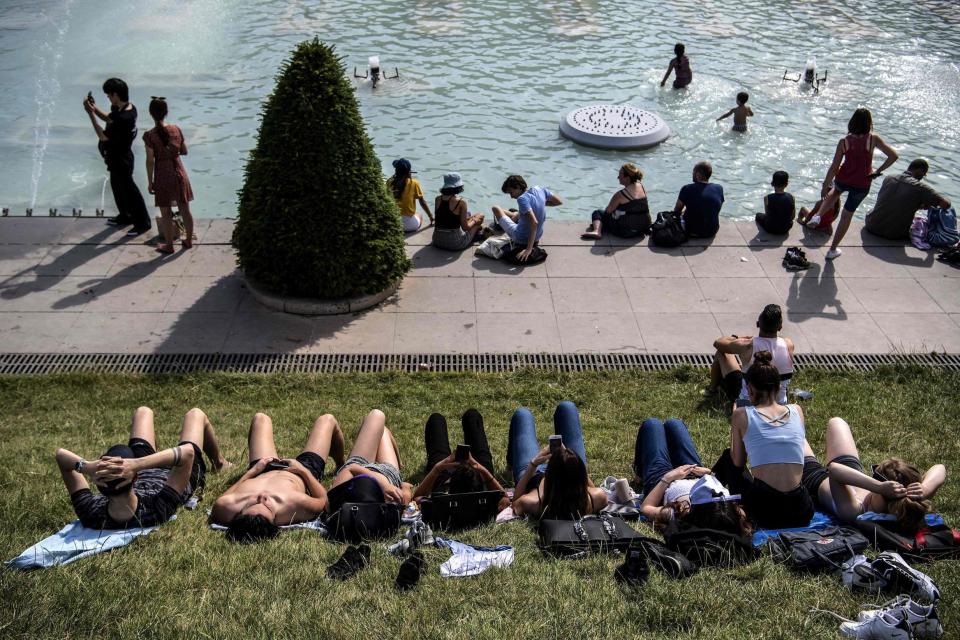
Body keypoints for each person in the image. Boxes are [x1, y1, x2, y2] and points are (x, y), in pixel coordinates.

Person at [55, 406, 230, 529]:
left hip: (143, 469)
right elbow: (187, 453)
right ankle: (220, 463)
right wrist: (137, 464)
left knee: (143, 412)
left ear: (99, 485)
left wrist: (88, 467)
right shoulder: (155, 508)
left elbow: (61, 455)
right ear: (135, 477)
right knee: (195, 414)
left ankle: (144, 455)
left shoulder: (92, 512)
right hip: (178, 473)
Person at [713, 351, 814, 529]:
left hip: (765, 512)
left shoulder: (742, 415)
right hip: (801, 510)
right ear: (777, 387)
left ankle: (706, 493)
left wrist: (735, 421)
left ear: (750, 389)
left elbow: (738, 461)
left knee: (728, 458)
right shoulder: (797, 410)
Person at [211, 412, 344, 542]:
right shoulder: (294, 506)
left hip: (262, 469)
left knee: (260, 418)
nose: (262, 497)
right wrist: (303, 471)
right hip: (300, 471)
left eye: (253, 502)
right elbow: (324, 502)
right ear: (275, 520)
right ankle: (340, 464)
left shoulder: (225, 508)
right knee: (327, 419)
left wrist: (252, 472)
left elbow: (225, 496)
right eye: (267, 506)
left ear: (240, 514)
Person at [801, 417, 946, 532]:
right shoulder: (912, 498)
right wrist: (925, 488)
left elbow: (834, 470)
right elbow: (940, 468)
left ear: (884, 494)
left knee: (793, 422)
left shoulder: (856, 511)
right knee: (837, 422)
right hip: (851, 472)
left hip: (814, 477)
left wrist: (878, 486)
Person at [634, 417, 753, 537]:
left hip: (662, 481)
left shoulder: (681, 512)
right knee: (675, 424)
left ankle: (640, 473)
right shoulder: (731, 514)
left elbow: (646, 508)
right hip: (695, 473)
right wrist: (709, 474)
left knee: (652, 424)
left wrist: (668, 477)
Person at [818, 108, 899, 260]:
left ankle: (818, 214)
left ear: (852, 122)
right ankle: (832, 250)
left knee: (834, 192)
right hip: (862, 183)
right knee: (846, 216)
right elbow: (893, 156)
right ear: (869, 123)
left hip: (843, 178)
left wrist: (824, 185)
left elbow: (834, 167)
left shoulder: (844, 141)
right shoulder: (873, 139)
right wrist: (878, 171)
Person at [508, 401, 607, 519]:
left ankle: (511, 462)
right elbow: (590, 487)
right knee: (567, 407)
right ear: (580, 475)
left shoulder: (533, 502)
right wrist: (569, 458)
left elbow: (515, 503)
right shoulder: (596, 498)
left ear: (549, 474)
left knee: (522, 414)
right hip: (569, 465)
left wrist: (533, 464)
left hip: (532, 474)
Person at [83, 78, 151, 236]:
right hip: (115, 157)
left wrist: (90, 114)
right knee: (117, 187)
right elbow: (108, 118)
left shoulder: (124, 119)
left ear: (116, 95)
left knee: (130, 191)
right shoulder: (127, 108)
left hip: (122, 158)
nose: (107, 97)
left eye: (108, 95)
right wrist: (94, 108)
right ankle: (125, 216)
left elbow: (102, 136)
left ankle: (142, 223)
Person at [413, 410, 509, 511]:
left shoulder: (441, 501)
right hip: (477, 477)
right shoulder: (484, 501)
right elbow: (505, 498)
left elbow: (417, 498)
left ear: (449, 486)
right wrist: (480, 468)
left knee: (436, 419)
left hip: (444, 476)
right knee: (472, 415)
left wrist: (439, 467)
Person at [707, 303, 795, 405]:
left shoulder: (748, 345)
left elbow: (718, 342)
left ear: (758, 324)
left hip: (748, 402)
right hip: (779, 404)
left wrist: (740, 337)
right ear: (780, 327)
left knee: (722, 353)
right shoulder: (788, 345)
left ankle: (712, 390)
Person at [327, 409, 413, 511]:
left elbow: (351, 468)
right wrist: (404, 487)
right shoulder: (388, 509)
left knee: (376, 418)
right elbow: (404, 501)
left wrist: (384, 486)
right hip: (387, 473)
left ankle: (379, 435)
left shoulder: (336, 504)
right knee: (381, 426)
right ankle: (398, 461)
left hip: (357, 467)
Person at [143, 98, 195, 254]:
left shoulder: (149, 135)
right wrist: (173, 152)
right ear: (166, 112)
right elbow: (184, 151)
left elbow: (150, 160)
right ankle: (188, 240)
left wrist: (150, 181)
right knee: (185, 209)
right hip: (178, 171)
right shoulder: (176, 129)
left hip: (162, 173)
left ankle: (169, 245)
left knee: (165, 212)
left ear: (151, 114)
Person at [864, 158, 952, 241]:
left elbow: (896, 201)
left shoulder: (889, 177)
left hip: (871, 225)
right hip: (895, 234)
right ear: (920, 171)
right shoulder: (920, 187)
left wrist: (917, 205)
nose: (922, 177)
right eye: (923, 174)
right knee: (949, 209)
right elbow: (946, 204)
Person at [492, 175, 562, 262]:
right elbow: (558, 202)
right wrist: (541, 203)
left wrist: (528, 249)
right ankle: (514, 215)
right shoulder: (540, 189)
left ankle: (512, 217)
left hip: (520, 237)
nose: (511, 196)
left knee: (495, 208)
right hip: (537, 237)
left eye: (511, 192)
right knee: (520, 212)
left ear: (517, 187)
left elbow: (534, 223)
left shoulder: (522, 199)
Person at [581, 163, 650, 240]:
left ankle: (597, 231)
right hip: (642, 229)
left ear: (627, 177)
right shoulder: (641, 186)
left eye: (620, 174)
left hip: (626, 232)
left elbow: (608, 212)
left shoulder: (621, 194)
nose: (618, 177)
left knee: (598, 213)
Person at [431, 172, 485, 251]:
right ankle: (474, 235)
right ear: (458, 186)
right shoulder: (461, 202)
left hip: (436, 240)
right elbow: (465, 228)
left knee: (469, 215)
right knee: (480, 216)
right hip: (455, 244)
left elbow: (443, 219)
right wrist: (475, 220)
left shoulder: (437, 199)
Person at [674, 161, 724, 238]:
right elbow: (714, 208)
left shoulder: (687, 188)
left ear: (698, 174)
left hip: (692, 231)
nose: (692, 174)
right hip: (712, 231)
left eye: (693, 172)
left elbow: (677, 211)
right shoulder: (719, 188)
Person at [387, 158, 433, 233]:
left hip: (393, 224)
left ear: (396, 171)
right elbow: (422, 202)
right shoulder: (414, 183)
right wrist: (430, 216)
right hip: (410, 226)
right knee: (420, 215)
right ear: (409, 171)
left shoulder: (389, 182)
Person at [755, 171, 796, 235]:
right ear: (786, 184)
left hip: (770, 228)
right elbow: (793, 217)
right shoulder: (792, 197)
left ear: (772, 183)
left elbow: (767, 215)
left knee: (758, 215)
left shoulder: (767, 198)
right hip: (786, 228)